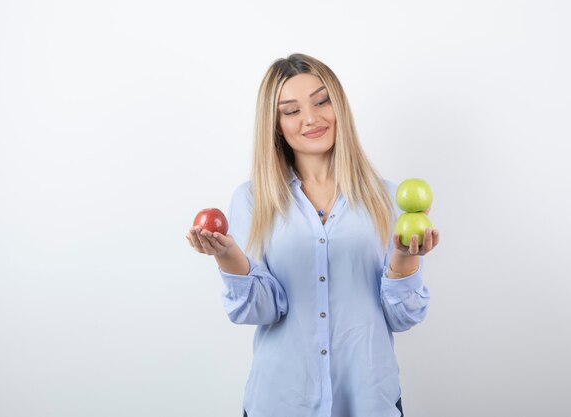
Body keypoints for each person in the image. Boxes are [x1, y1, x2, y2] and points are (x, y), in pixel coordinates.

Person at [186, 53, 440, 417]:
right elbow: (263, 309)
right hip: (281, 401)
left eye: (322, 101)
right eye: (291, 110)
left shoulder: (388, 198)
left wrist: (404, 257)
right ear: (275, 124)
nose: (311, 118)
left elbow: (403, 317)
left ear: (339, 106)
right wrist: (227, 256)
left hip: (368, 401)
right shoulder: (251, 200)